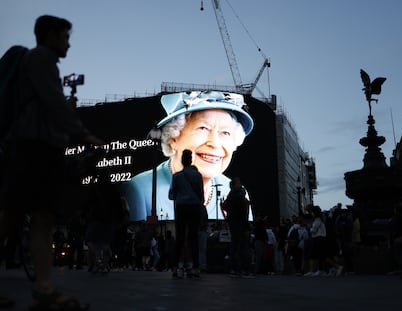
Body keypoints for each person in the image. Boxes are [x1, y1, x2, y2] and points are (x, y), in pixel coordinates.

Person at [0, 15, 102, 310]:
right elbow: (53, 104)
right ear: (50, 36)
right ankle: (43, 289)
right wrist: (83, 134)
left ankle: (44, 288)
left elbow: (48, 105)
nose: (68, 42)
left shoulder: (38, 63)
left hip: (34, 149)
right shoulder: (42, 58)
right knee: (22, 217)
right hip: (35, 151)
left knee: (32, 217)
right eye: (65, 36)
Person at [122, 91, 254, 222]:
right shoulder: (139, 189)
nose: (215, 143)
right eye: (203, 128)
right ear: (173, 138)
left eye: (225, 132)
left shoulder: (233, 190)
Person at [169, 149, 204, 278]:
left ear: (182, 160)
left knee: (180, 237)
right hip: (194, 207)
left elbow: (171, 195)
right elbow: (201, 195)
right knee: (193, 238)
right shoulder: (197, 175)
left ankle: (175, 267)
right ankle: (194, 267)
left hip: (181, 207)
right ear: (191, 160)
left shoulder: (177, 176)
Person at [221, 176, 251, 276]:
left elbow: (224, 206)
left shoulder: (231, 197)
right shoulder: (239, 196)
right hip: (240, 224)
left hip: (234, 224)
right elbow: (243, 213)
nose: (241, 185)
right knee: (242, 247)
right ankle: (243, 268)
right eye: (238, 183)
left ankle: (235, 267)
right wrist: (247, 226)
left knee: (235, 246)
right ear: (234, 186)